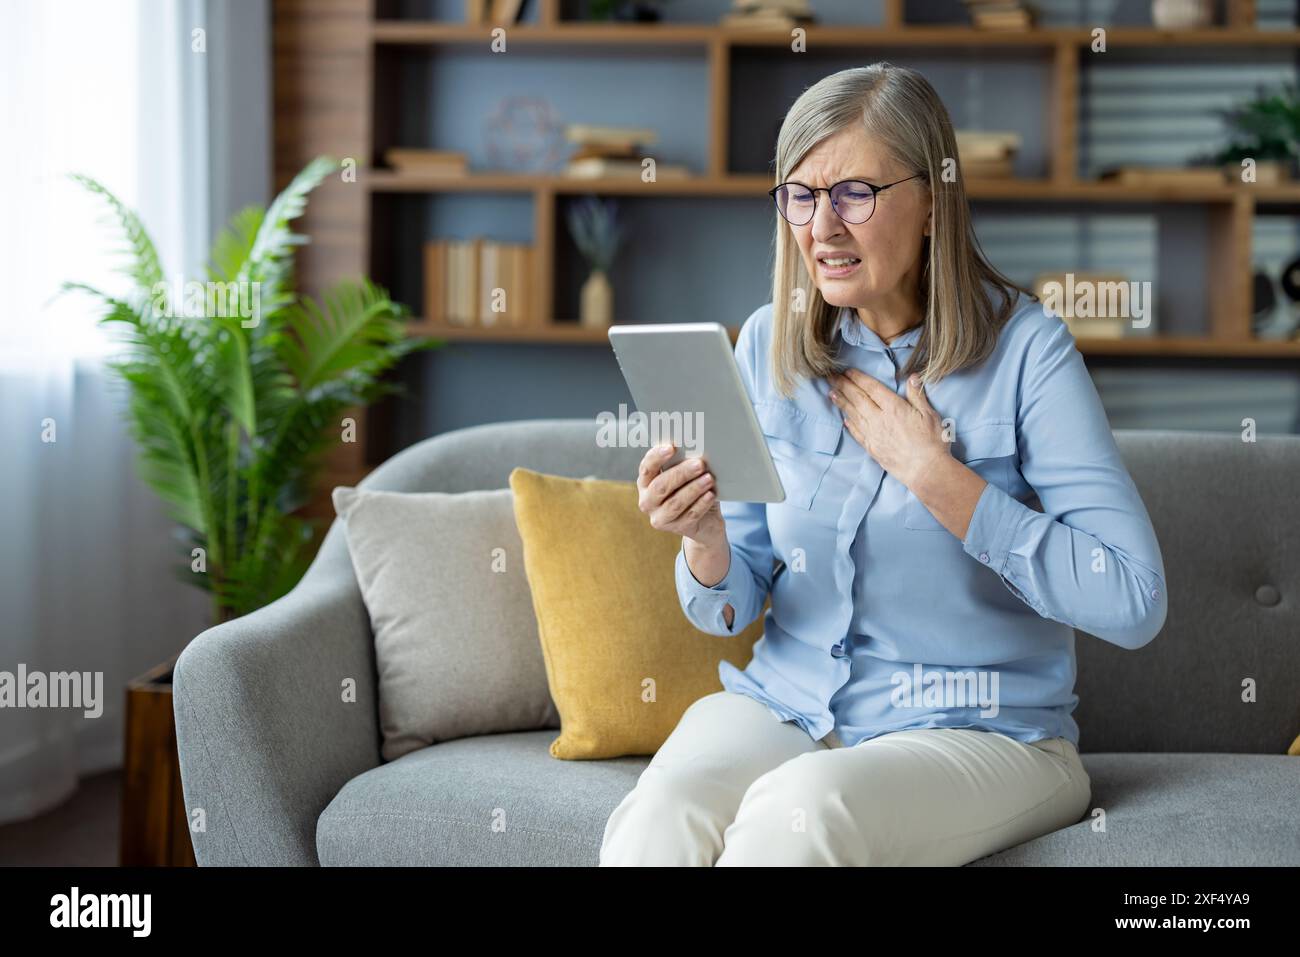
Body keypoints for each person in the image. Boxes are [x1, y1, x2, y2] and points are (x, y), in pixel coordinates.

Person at [599, 62, 1167, 867]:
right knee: (660, 810)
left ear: (933, 199)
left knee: (802, 809)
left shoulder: (1029, 354)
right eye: (800, 194)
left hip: (982, 731)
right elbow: (735, 596)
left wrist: (940, 480)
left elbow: (1136, 598)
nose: (821, 227)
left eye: (855, 193)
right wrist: (704, 541)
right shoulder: (769, 343)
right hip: (790, 703)